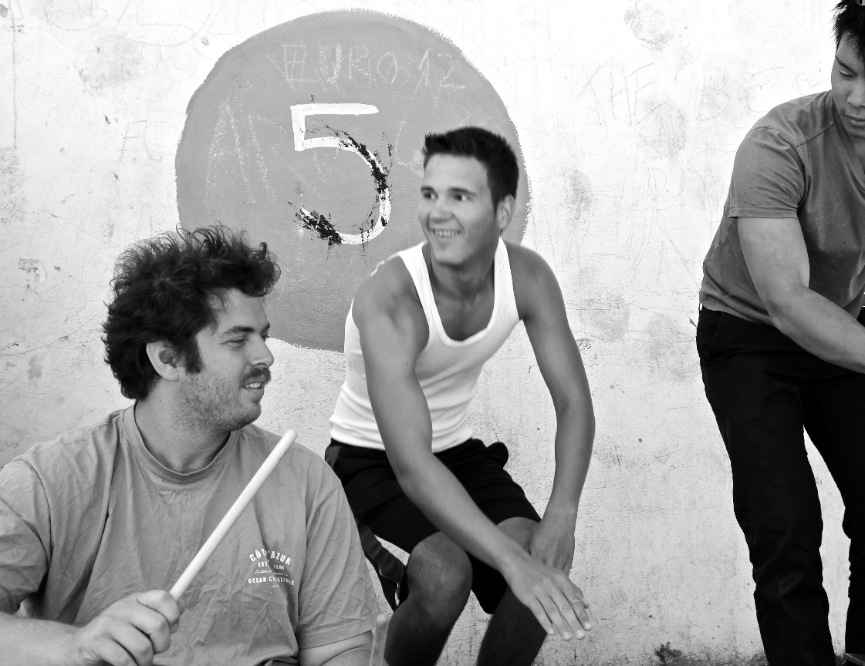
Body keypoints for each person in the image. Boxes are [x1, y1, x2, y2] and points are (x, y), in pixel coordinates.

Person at [696, 1, 865, 664]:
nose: (856, 97)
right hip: (747, 335)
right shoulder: (777, 143)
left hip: (845, 331)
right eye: (846, 71)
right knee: (784, 528)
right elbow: (787, 300)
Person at [0, 226, 380, 666]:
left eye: (263, 335)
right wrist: (77, 646)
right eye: (238, 339)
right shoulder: (51, 481)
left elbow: (340, 649)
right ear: (168, 358)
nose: (266, 356)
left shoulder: (307, 483)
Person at [327, 126, 596, 666]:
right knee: (446, 575)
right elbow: (411, 465)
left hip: (456, 451)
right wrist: (514, 565)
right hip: (371, 460)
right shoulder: (392, 299)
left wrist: (562, 513)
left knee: (540, 558)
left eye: (460, 196)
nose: (438, 212)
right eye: (430, 194)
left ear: (502, 211)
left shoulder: (527, 277)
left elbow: (574, 403)